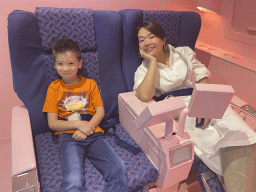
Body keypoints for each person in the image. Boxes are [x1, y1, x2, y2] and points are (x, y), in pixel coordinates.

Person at [134, 21, 256, 191]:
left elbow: (201, 75)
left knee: (241, 133)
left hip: (204, 99)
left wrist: (205, 104)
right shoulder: (143, 70)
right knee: (212, 144)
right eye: (141, 40)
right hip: (182, 110)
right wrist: (152, 62)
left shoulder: (184, 52)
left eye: (151, 36)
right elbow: (145, 95)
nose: (146, 42)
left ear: (163, 39)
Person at [42, 39, 128, 192]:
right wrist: (78, 125)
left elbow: (100, 111)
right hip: (69, 136)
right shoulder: (54, 88)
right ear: (54, 65)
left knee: (118, 168)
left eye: (71, 63)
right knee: (73, 180)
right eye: (60, 64)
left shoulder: (90, 84)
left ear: (79, 64)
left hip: (93, 132)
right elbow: (52, 123)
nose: (65, 68)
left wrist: (87, 126)